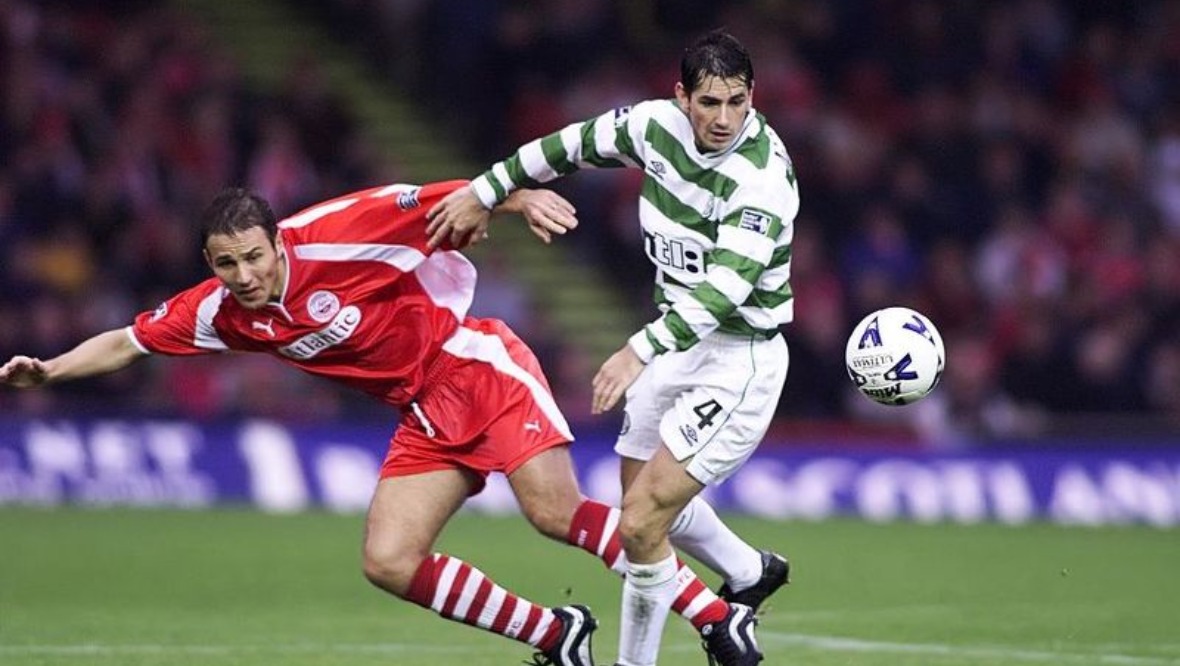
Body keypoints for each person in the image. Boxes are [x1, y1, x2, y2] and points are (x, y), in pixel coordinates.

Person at [0, 179, 724, 666]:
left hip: (471, 360)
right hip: (423, 409)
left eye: (255, 257)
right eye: (227, 264)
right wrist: (52, 369)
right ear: (209, 263)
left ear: (278, 243)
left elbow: (447, 199)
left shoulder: (339, 234)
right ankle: (557, 634)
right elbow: (128, 339)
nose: (245, 276)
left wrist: (518, 194)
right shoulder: (218, 310)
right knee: (388, 560)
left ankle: (714, 614)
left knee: (552, 512)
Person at [427, 30, 796, 666]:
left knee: (642, 520)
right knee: (641, 518)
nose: (724, 118)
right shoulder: (653, 128)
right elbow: (565, 148)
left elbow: (725, 290)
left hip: (739, 357)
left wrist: (638, 351)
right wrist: (485, 190)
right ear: (681, 97)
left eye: (737, 102)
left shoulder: (760, 178)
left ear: (752, 96)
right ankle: (745, 570)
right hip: (675, 343)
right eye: (710, 102)